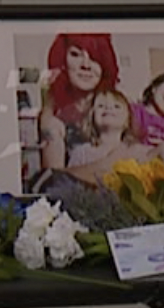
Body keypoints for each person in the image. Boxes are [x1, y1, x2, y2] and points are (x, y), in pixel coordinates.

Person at [34, 33, 122, 191]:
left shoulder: (119, 104)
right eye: (75, 54)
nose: (86, 65)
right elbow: (54, 183)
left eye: (95, 57)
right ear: (63, 61)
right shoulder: (54, 117)